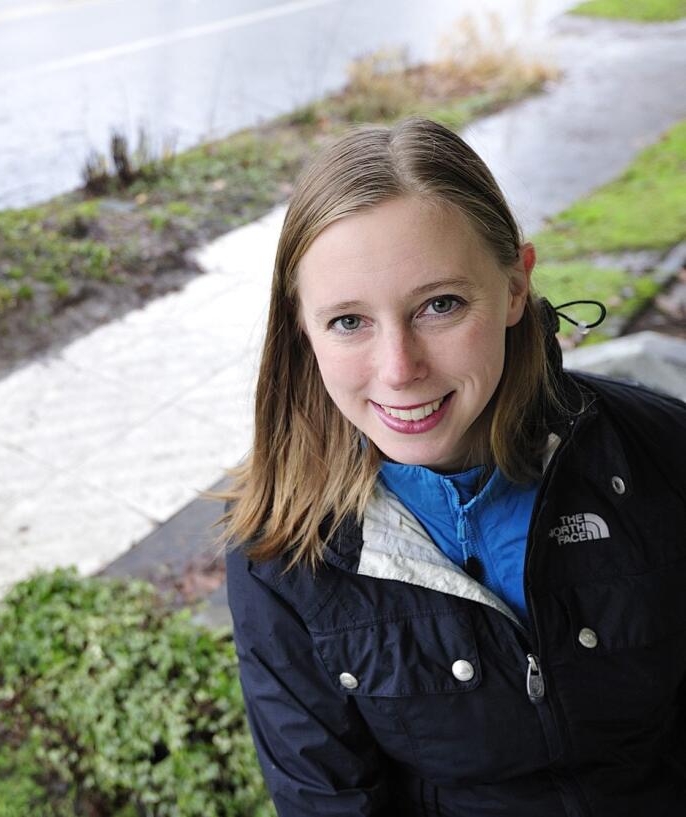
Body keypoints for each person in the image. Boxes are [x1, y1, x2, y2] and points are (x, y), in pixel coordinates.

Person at [218, 116, 686, 816]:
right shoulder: (279, 551)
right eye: (349, 321)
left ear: (515, 287)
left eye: (440, 305)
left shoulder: (662, 450)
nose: (399, 369)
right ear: (302, 327)